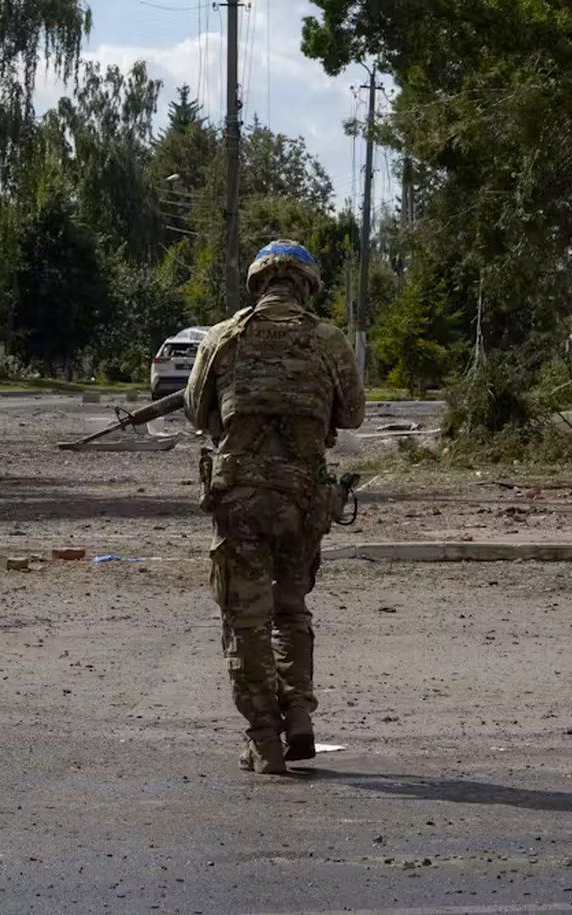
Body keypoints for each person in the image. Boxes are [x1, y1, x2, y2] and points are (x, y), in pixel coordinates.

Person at [183, 240, 366, 775]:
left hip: (240, 500)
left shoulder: (222, 338)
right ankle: (301, 715)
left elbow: (197, 410)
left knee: (246, 620)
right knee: (290, 610)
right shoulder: (328, 341)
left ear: (258, 284)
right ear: (306, 285)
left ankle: (265, 737)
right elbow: (352, 414)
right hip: (303, 503)